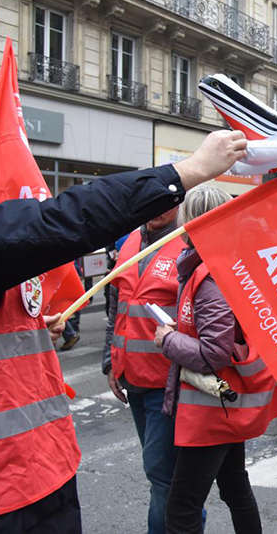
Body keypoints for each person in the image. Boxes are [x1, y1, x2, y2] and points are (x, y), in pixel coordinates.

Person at [0, 99, 247, 533]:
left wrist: (26, 325)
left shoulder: (191, 253)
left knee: (184, 486)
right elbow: (68, 231)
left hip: (53, 466)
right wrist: (184, 172)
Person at [157, 185, 277, 534]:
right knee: (234, 486)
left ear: (189, 220)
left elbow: (214, 353)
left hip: (212, 409)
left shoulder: (210, 275)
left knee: (182, 508)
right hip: (221, 404)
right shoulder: (221, 263)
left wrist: (168, 339)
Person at [101, 207, 187, 534]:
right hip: (131, 376)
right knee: (163, 476)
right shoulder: (131, 239)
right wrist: (111, 360)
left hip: (167, 382)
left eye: (163, 202)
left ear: (178, 203)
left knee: (162, 474)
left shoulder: (187, 241)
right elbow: (116, 304)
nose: (155, 208)